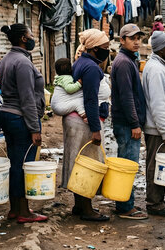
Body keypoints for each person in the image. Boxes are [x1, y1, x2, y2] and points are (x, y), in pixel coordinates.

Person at [0, 24, 48, 223]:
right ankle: (24, 212)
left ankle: (14, 208)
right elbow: (27, 97)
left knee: (14, 162)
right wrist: (34, 128)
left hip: (7, 115)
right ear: (22, 39)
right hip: (20, 118)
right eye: (30, 35)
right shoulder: (23, 63)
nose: (32, 37)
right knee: (23, 165)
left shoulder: (6, 59)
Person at [63, 29, 110, 222]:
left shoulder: (83, 62)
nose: (108, 51)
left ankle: (79, 205)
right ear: (94, 49)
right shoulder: (91, 68)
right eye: (105, 48)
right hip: (84, 123)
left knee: (79, 161)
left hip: (77, 121)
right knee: (88, 164)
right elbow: (90, 100)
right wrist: (95, 129)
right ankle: (87, 209)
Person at [110, 24, 148, 220]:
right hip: (126, 123)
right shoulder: (124, 62)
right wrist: (135, 123)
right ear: (122, 40)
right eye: (132, 38)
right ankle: (125, 207)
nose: (136, 42)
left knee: (127, 163)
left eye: (138, 38)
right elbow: (126, 97)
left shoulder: (129, 59)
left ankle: (123, 202)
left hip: (126, 122)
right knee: (127, 165)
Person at [142, 31, 165, 217]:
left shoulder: (158, 66)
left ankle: (158, 200)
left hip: (158, 129)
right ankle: (154, 203)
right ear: (161, 49)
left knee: (159, 164)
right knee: (156, 165)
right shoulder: (155, 70)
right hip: (156, 129)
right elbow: (157, 104)